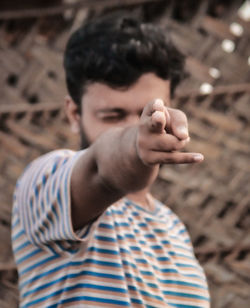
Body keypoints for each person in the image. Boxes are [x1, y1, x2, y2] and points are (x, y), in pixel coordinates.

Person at [12, 12, 210, 308]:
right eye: (113, 116)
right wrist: (132, 148)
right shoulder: (44, 181)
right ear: (73, 113)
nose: (137, 127)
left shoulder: (173, 228)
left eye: (149, 111)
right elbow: (104, 167)